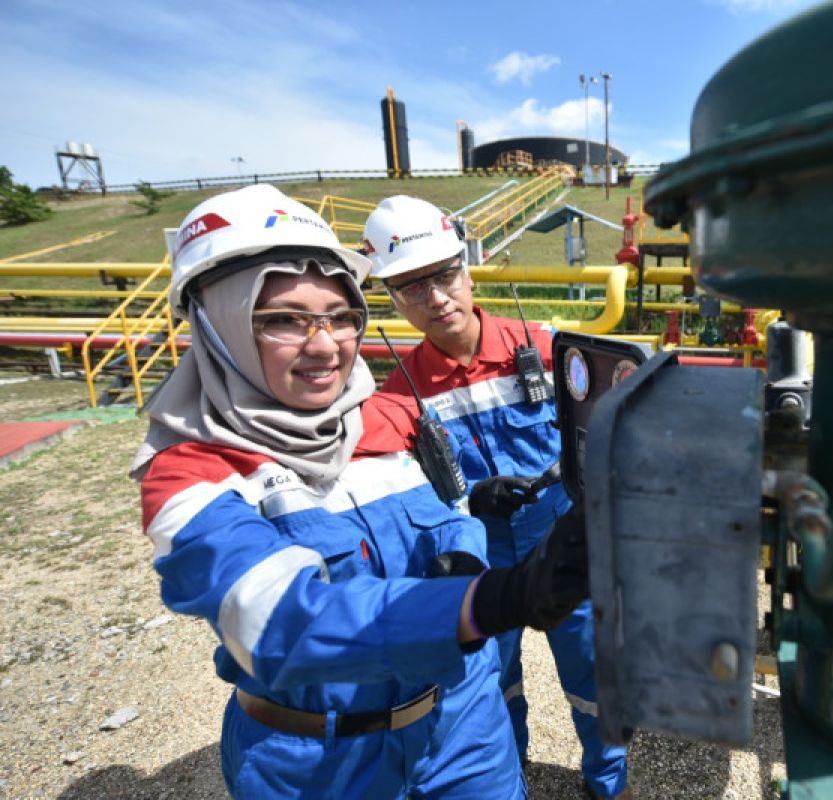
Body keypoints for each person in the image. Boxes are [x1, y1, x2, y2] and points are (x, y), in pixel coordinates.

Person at [130, 184, 588, 799]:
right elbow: (277, 624)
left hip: (461, 726)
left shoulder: (381, 418)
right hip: (319, 764)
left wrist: (468, 536)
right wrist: (489, 601)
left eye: (341, 316)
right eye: (283, 320)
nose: (324, 344)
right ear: (217, 326)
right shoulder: (186, 473)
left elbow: (446, 514)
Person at [362, 195, 630, 800]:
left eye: (444, 275)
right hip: (481, 565)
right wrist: (467, 501)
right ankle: (509, 774)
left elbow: (612, 420)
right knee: (489, 682)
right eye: (410, 287)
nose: (435, 298)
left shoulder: (546, 346)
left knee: (595, 670)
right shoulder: (398, 397)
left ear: (468, 267)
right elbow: (394, 496)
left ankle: (609, 783)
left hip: (566, 547)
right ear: (392, 299)